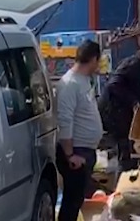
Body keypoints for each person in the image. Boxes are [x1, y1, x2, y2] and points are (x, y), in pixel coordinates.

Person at [56, 40, 104, 221]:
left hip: (87, 149)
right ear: (93, 59)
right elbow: (64, 120)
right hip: (76, 152)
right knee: (72, 200)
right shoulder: (70, 84)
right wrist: (69, 155)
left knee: (78, 200)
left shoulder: (84, 81)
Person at [99, 43, 140, 172]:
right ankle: (123, 183)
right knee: (125, 153)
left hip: (126, 117)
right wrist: (133, 101)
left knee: (129, 153)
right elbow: (113, 85)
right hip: (118, 116)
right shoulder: (132, 65)